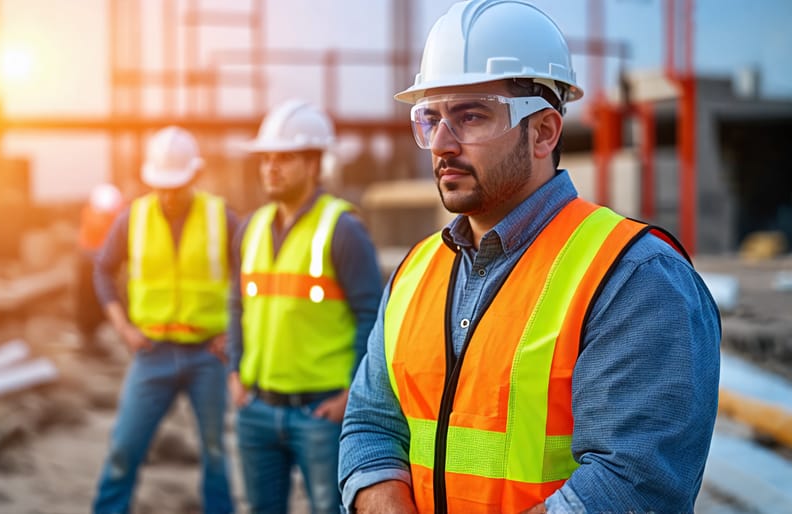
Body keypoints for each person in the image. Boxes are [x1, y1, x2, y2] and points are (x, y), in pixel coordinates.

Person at [337, 2, 721, 514]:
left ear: (543, 132)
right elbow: (371, 424)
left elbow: (632, 485)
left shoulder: (633, 276)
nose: (442, 144)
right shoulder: (415, 272)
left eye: (470, 116)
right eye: (430, 119)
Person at [227, 99, 383, 514]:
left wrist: (351, 392)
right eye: (266, 159)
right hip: (257, 409)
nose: (271, 168)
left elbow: (372, 314)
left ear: (314, 165)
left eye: (285, 158)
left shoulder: (343, 229)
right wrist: (234, 372)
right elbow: (236, 305)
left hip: (321, 413)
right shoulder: (251, 228)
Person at [91, 126, 236, 514]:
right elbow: (102, 271)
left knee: (215, 453)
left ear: (195, 176)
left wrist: (235, 333)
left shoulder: (219, 216)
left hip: (208, 356)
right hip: (151, 353)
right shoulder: (132, 218)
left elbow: (254, 273)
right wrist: (122, 327)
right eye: (162, 185)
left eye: (178, 185)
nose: (169, 194)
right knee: (124, 447)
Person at [75, 182, 123, 354]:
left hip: (99, 257)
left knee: (99, 296)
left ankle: (94, 331)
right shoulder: (96, 215)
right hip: (91, 257)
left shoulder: (109, 211)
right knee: (89, 297)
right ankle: (89, 334)